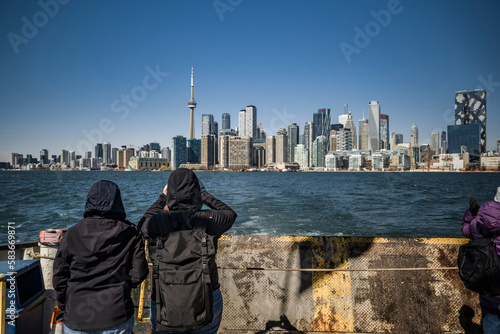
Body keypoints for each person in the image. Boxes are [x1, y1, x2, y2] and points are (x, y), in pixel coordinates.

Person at [139, 168, 237, 334]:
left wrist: (163, 197)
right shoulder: (207, 220)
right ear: (196, 193)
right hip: (205, 297)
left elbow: (142, 224)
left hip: (165, 298)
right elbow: (229, 214)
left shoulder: (157, 223)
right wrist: (204, 194)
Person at [53, 180, 149, 334]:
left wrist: (66, 306)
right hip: (116, 314)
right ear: (118, 201)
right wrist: (121, 285)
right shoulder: (131, 232)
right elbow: (138, 273)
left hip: (77, 316)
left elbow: (59, 277)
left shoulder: (72, 233)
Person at [461, 186, 500, 333]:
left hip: (488, 290)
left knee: (491, 326)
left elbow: (465, 228)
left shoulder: (479, 225)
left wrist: (472, 213)